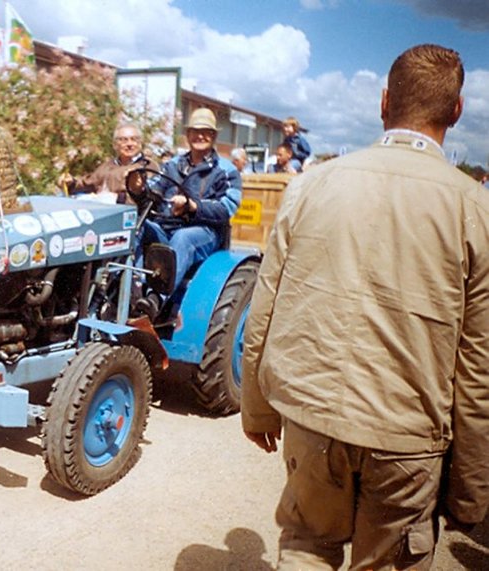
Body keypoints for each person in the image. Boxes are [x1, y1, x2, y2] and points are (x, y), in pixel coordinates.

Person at [241, 44, 489, 570]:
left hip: (313, 420)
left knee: (306, 547)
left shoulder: (312, 185)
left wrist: (258, 407)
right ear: (456, 111)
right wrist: (470, 486)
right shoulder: (475, 208)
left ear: (383, 102)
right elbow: (478, 364)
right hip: (407, 437)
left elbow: (264, 307)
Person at [138, 108, 241, 296]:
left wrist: (193, 206)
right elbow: (156, 188)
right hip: (166, 228)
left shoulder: (226, 170)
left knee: (183, 238)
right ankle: (129, 289)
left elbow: (227, 208)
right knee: (138, 226)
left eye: (206, 132)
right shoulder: (172, 164)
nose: (200, 136)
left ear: (213, 136)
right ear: (188, 134)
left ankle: (155, 300)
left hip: (205, 232)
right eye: (195, 131)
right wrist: (141, 190)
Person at [58, 122, 158, 204]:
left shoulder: (147, 166)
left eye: (134, 139)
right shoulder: (107, 166)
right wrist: (70, 183)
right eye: (124, 140)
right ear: (115, 145)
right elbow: (87, 184)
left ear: (140, 144)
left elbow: (150, 197)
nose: (129, 144)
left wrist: (116, 198)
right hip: (101, 212)